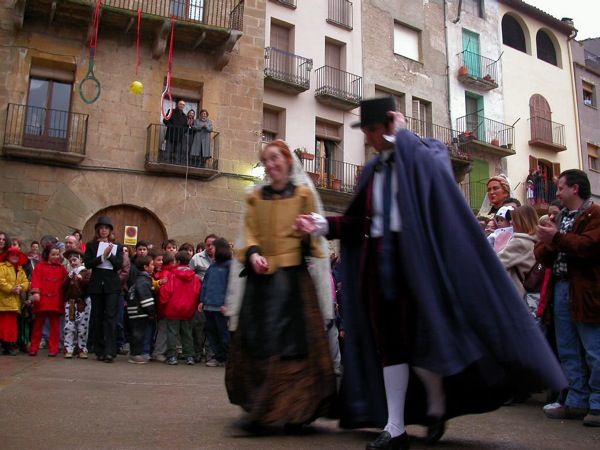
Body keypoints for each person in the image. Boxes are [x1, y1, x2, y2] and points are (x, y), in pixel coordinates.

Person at [296, 97, 566, 450]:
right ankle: (395, 428)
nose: (370, 138)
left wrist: (403, 135)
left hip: (417, 266)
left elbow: (437, 169)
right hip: (379, 268)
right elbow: (355, 221)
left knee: (423, 340)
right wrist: (320, 223)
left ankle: (436, 406)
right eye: (366, 132)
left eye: (374, 130)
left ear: (391, 124)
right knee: (389, 344)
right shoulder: (374, 171)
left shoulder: (425, 154)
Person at [225, 140, 336, 434]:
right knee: (260, 343)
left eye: (275, 158)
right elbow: (249, 233)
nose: (271, 164)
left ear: (287, 160)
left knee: (292, 345)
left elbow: (315, 241)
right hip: (261, 283)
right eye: (266, 160)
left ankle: (296, 410)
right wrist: (254, 254)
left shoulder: (303, 195)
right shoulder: (255, 197)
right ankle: (262, 408)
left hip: (293, 282)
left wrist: (306, 232)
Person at [535, 169, 600, 427]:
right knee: (568, 349)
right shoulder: (559, 216)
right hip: (561, 287)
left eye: (560, 188)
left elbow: (589, 247)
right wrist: (549, 244)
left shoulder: (595, 215)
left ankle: (597, 403)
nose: (557, 193)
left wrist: (556, 238)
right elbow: (542, 254)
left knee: (594, 348)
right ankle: (576, 400)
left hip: (587, 289)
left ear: (575, 188)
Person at [84, 216, 124, 363]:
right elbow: (88, 264)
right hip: (96, 284)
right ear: (97, 230)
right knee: (97, 317)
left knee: (111, 318)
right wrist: (102, 257)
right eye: (101, 228)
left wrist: (110, 254)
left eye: (106, 228)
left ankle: (110, 350)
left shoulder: (117, 246)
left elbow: (118, 265)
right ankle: (99, 349)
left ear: (110, 231)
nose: (103, 231)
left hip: (111, 285)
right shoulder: (91, 245)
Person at [160, 250, 201, 366]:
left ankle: (172, 356)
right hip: (188, 309)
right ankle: (190, 356)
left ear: (177, 261)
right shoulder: (194, 278)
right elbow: (197, 293)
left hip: (173, 308)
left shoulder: (172, 276)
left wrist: (165, 303)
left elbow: (166, 292)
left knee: (172, 333)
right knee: (187, 334)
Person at [497, 205, 540, 313]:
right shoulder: (534, 241)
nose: (511, 222)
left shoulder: (520, 242)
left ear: (521, 221)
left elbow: (497, 263)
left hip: (515, 293)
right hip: (524, 293)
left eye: (513, 219)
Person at [29, 244, 68, 357]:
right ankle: (34, 347)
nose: (56, 257)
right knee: (38, 325)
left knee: (55, 326)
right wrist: (36, 292)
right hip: (42, 299)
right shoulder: (40, 266)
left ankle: (54, 348)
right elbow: (35, 279)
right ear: (47, 255)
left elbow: (65, 282)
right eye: (53, 254)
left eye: (57, 254)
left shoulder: (61, 268)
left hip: (56, 300)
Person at [199, 237, 231, 367]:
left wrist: (227, 304)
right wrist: (202, 300)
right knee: (212, 333)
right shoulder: (212, 266)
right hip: (209, 305)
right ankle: (218, 356)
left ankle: (227, 357)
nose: (210, 249)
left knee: (223, 333)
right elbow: (205, 284)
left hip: (221, 306)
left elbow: (231, 286)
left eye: (213, 247)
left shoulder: (229, 265)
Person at [189, 233, 216, 362]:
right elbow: (189, 275)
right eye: (208, 245)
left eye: (213, 245)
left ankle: (210, 353)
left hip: (214, 297)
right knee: (198, 326)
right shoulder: (196, 258)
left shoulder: (222, 259)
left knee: (211, 327)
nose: (210, 247)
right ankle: (197, 351)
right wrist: (200, 279)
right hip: (198, 296)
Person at [62, 248, 91, 359]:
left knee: (83, 327)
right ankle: (68, 348)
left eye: (75, 260)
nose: (72, 262)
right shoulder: (69, 274)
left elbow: (88, 286)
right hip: (71, 303)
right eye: (71, 260)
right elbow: (63, 288)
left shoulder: (85, 272)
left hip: (83, 303)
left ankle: (82, 349)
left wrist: (81, 280)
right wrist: (67, 280)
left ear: (80, 260)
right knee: (69, 326)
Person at [0, 247, 30, 355]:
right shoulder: (2, 267)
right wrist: (12, 288)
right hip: (3, 302)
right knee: (3, 325)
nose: (15, 257)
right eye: (13, 255)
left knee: (11, 327)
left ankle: (8, 346)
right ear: (7, 256)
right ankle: (4, 346)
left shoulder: (20, 269)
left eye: (17, 255)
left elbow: (26, 282)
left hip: (14, 303)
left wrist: (21, 288)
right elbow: (1, 281)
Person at [127, 255, 156, 364]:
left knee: (138, 333)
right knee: (139, 334)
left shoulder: (138, 279)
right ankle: (136, 354)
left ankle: (137, 353)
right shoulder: (144, 281)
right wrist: (151, 312)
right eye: (152, 265)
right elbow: (146, 299)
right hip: (140, 312)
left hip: (136, 312)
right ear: (145, 267)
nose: (153, 267)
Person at [163, 100, 188, 164]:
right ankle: (167, 161)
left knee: (178, 150)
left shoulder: (184, 116)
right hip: (170, 133)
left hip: (179, 136)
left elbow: (185, 126)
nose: (181, 106)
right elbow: (165, 120)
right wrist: (171, 127)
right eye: (180, 104)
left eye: (183, 105)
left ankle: (176, 162)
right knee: (168, 149)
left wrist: (182, 131)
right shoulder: (171, 111)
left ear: (184, 106)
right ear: (178, 105)